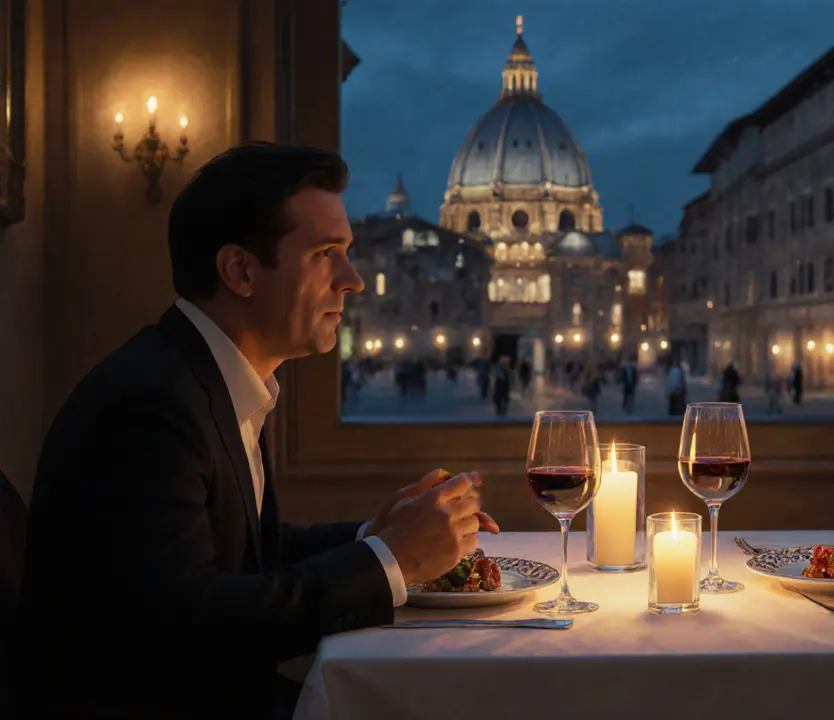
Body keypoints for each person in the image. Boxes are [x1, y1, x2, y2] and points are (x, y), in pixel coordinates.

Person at [16, 142, 500, 719]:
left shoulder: (201, 375)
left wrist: (375, 534)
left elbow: (241, 554)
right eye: (326, 253)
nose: (353, 280)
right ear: (241, 270)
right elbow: (192, 622)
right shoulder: (149, 405)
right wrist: (388, 560)